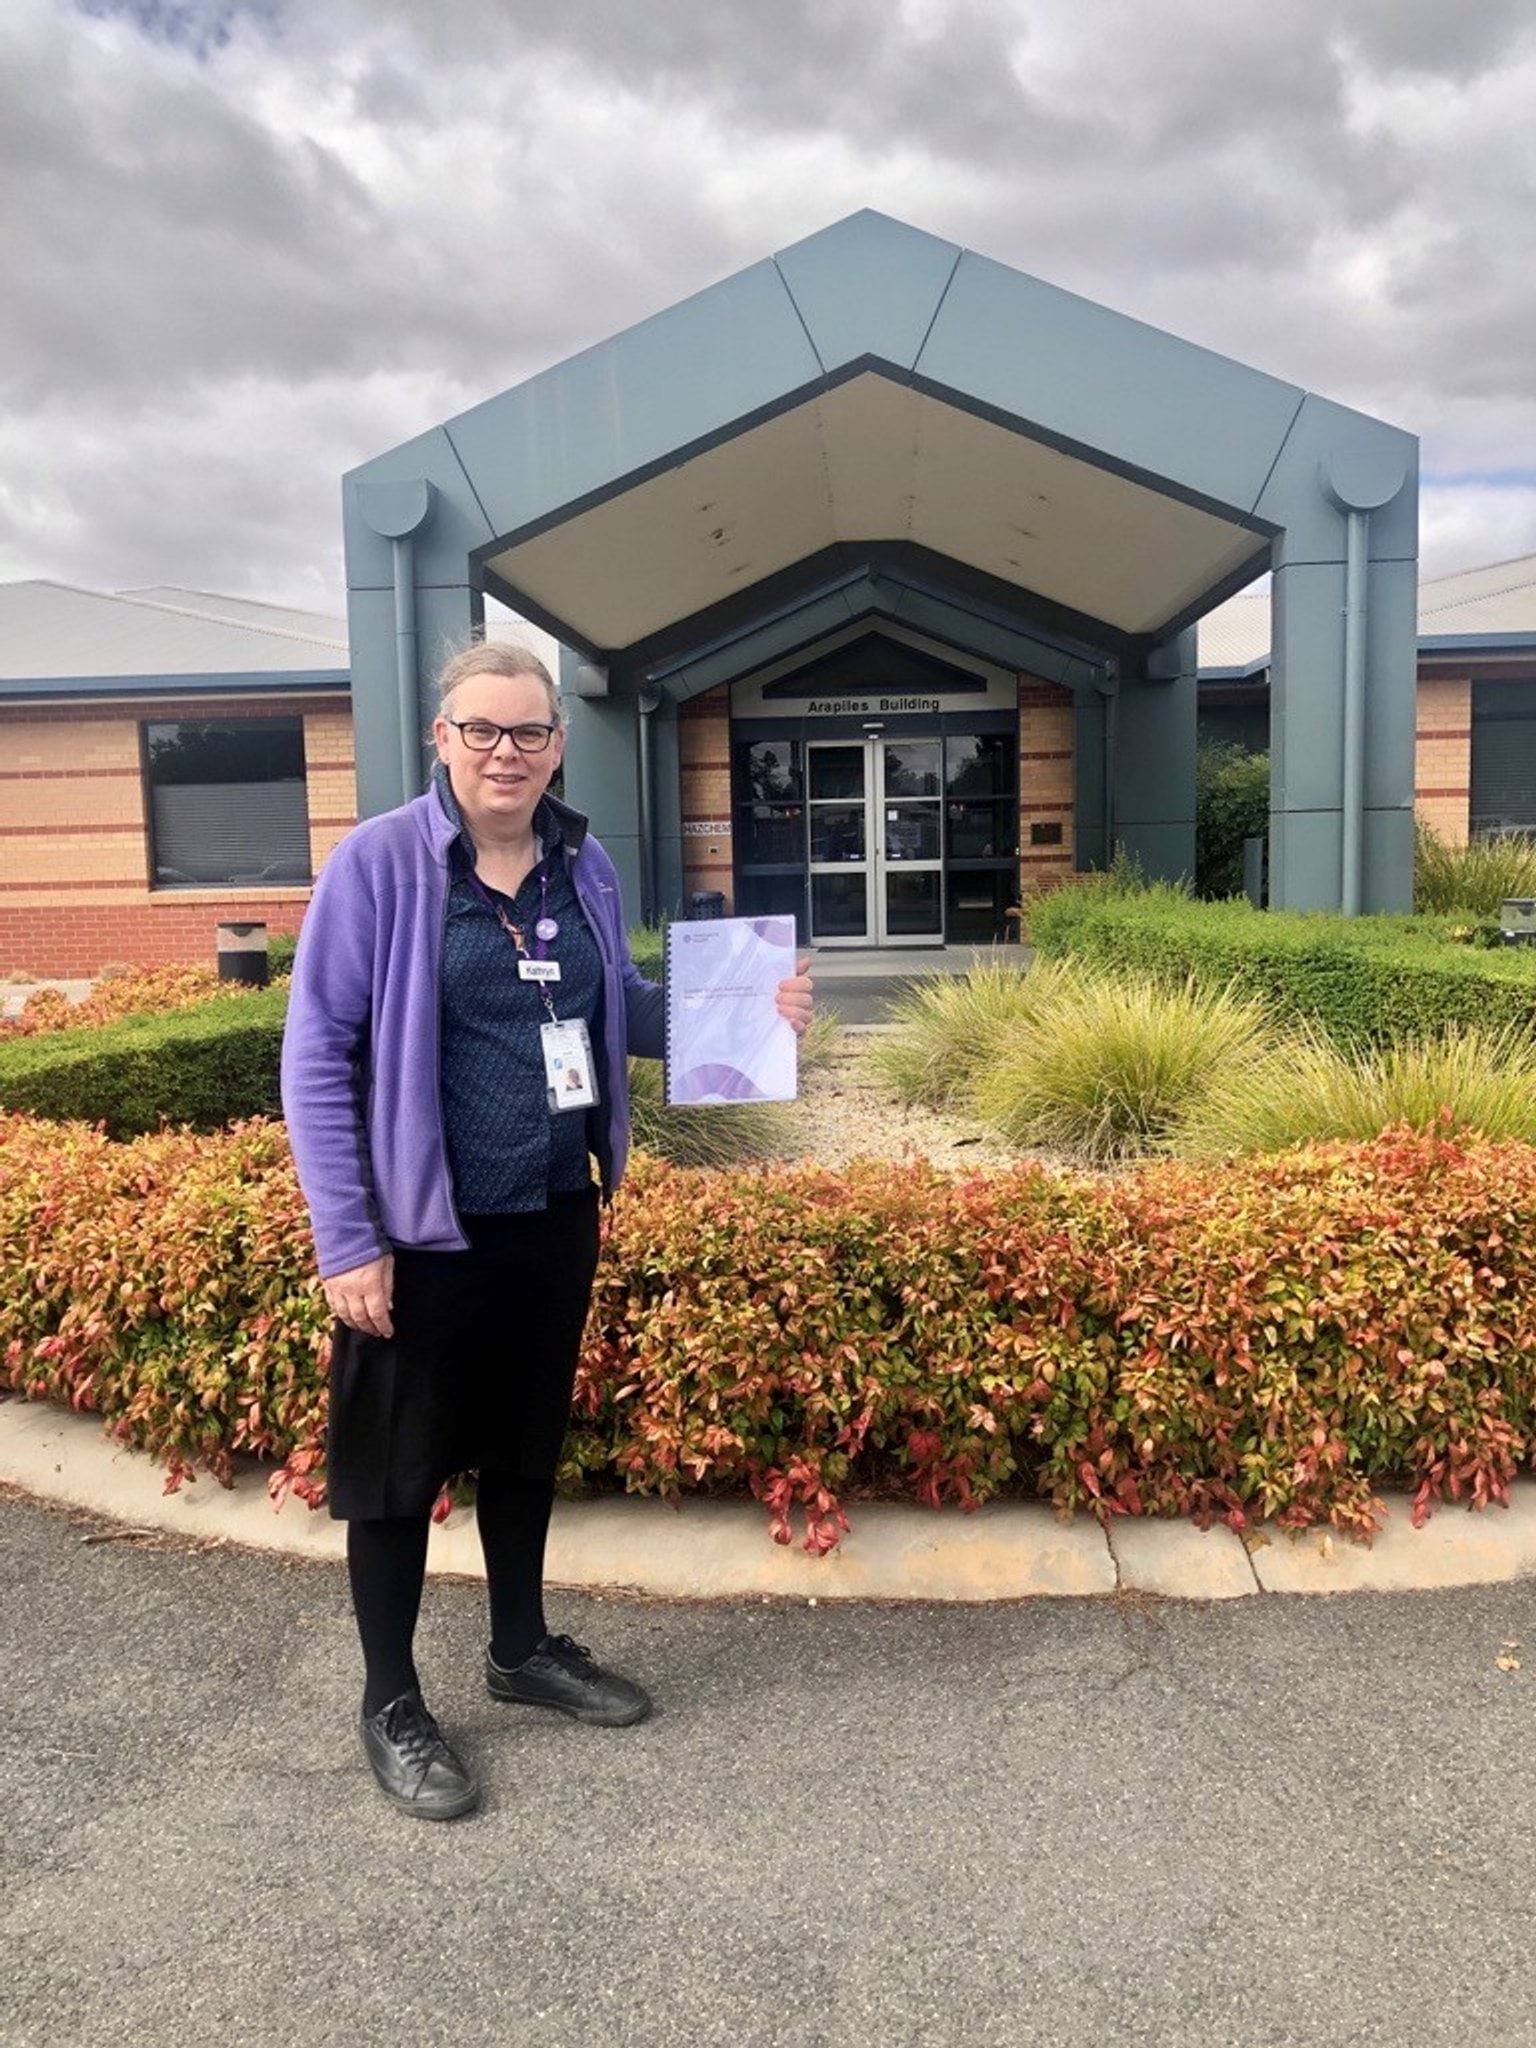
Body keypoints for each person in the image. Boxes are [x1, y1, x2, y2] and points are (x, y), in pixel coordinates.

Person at [281, 641, 814, 1820]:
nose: (504, 752)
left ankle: (520, 1648)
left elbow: (618, 1006)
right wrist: (347, 1238)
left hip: (553, 1213)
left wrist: (753, 1009)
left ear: (557, 745)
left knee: (524, 1445)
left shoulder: (584, 863)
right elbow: (316, 1053)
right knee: (396, 1469)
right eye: (480, 729)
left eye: (527, 731)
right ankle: (390, 1698)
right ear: (443, 739)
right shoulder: (381, 864)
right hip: (424, 1231)